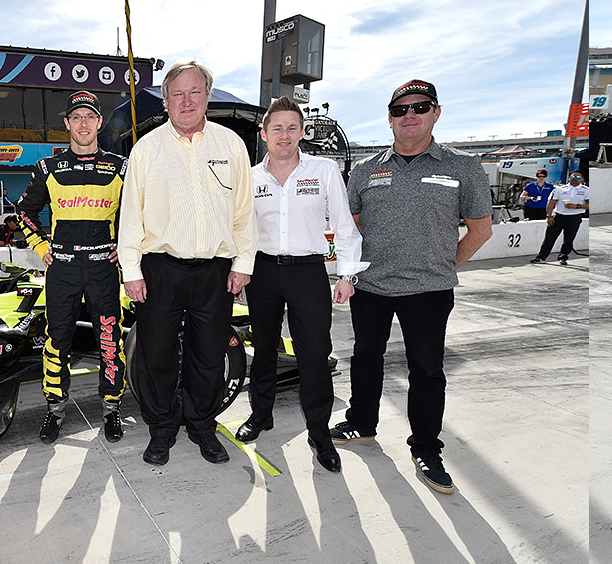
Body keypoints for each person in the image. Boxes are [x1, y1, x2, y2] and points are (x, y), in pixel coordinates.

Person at [331, 80, 492, 494]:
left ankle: (425, 447)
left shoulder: (463, 167)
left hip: (429, 290)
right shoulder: (367, 169)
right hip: (371, 287)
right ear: (389, 119)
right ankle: (362, 424)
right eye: (400, 110)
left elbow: (480, 229)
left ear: (436, 113)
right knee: (365, 358)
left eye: (420, 107)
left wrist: (442, 265)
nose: (410, 116)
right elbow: (353, 225)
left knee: (426, 370)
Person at [118, 61, 257, 466]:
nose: (187, 101)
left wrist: (243, 262)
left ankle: (202, 427)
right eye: (177, 93)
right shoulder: (146, 149)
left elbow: (244, 213)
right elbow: (131, 217)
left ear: (207, 96)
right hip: (160, 269)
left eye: (195, 92)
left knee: (209, 355)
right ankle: (161, 431)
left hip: (216, 270)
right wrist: (132, 271)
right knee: (155, 355)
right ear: (165, 100)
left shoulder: (230, 146)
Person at [236, 97, 368, 473]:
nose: (284, 135)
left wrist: (346, 274)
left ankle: (319, 432)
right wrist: (241, 270)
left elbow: (344, 224)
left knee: (313, 355)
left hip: (308, 273)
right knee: (262, 352)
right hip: (262, 272)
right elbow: (241, 229)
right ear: (263, 134)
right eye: (276, 128)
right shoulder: (250, 176)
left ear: (303, 132)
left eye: (292, 127)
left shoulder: (323, 170)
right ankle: (261, 416)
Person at [17, 90, 129, 444]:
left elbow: (137, 217)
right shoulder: (48, 167)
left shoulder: (120, 166)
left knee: (110, 340)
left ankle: (112, 410)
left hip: (103, 268)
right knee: (57, 341)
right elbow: (24, 210)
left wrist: (124, 249)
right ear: (67, 123)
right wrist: (40, 245)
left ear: (99, 123)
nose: (83, 123)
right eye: (76, 117)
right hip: (63, 267)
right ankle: (55, 410)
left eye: (90, 117)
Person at [530, 170, 588, 266]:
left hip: (574, 217)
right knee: (549, 238)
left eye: (578, 177)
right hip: (559, 216)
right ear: (569, 178)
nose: (575, 179)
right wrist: (549, 216)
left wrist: (577, 206)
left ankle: (563, 257)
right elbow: (551, 203)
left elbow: (589, 204)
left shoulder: (586, 190)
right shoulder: (560, 189)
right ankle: (541, 257)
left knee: (569, 239)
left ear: (582, 179)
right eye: (573, 177)